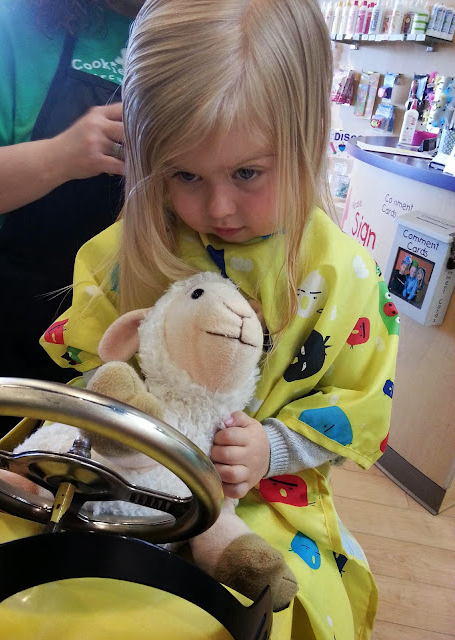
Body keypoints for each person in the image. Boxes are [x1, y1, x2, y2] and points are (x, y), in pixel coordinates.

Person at [39, 1, 399, 637]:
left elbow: (354, 405)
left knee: (267, 606)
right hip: (130, 476)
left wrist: (271, 448)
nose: (219, 207)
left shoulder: (344, 274)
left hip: (263, 497)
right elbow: (94, 376)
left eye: (247, 172)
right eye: (185, 174)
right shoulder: (135, 248)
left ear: (309, 134)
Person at [0, 0, 146, 444]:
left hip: (159, 316)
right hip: (33, 308)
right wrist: (59, 157)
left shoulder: (215, 26)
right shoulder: (12, 25)